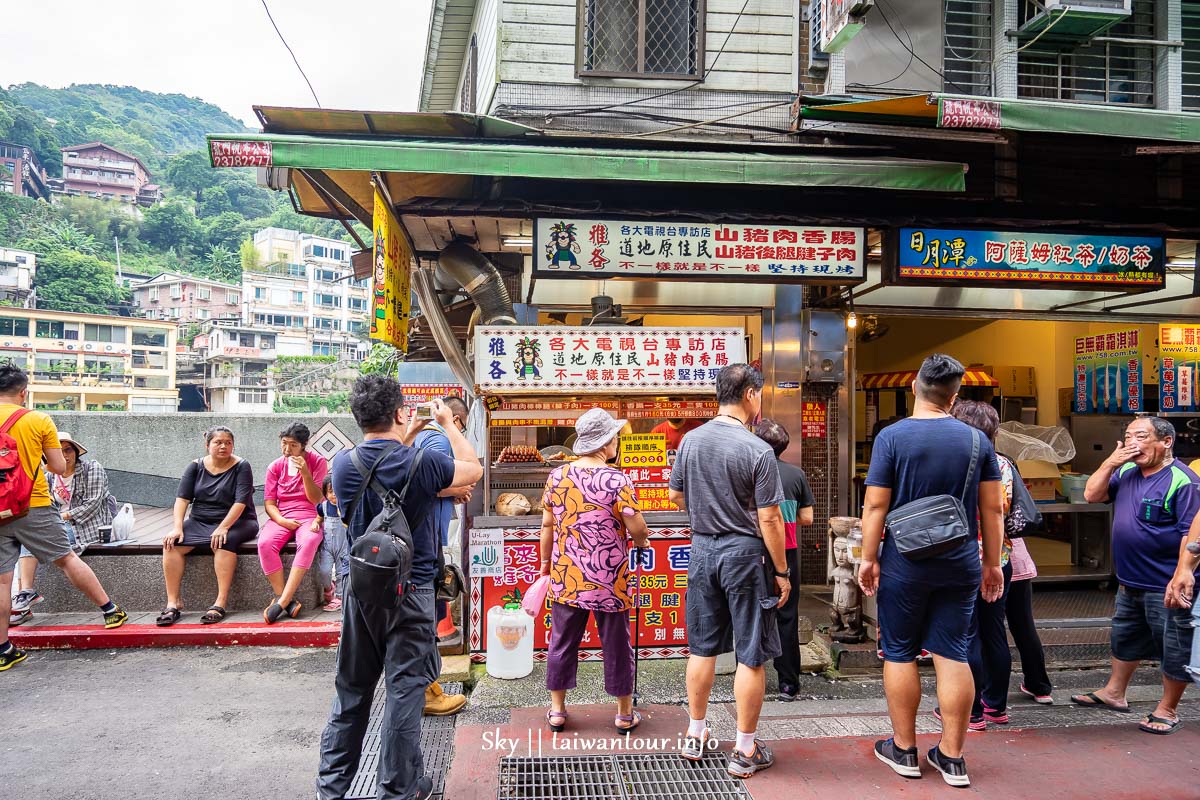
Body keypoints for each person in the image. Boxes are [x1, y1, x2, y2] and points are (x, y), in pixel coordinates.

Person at [317, 376, 482, 800]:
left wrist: (405, 433)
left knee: (351, 690)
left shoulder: (343, 464)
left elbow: (387, 470)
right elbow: (474, 467)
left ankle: (331, 789)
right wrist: (449, 424)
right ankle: (399, 789)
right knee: (405, 691)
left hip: (360, 588)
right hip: (411, 591)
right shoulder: (421, 462)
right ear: (398, 412)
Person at [860, 354, 1003, 788]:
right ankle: (953, 757)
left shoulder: (892, 436)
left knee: (900, 650)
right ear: (955, 396)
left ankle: (904, 750)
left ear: (914, 389)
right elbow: (993, 507)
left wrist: (868, 558)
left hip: (905, 560)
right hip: (959, 559)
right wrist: (992, 563)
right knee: (953, 652)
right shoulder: (978, 441)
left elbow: (876, 505)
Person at [668, 363, 789, 779]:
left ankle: (695, 733)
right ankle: (743, 749)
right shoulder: (757, 450)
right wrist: (783, 571)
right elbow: (770, 519)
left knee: (701, 648)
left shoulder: (689, 441)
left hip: (702, 551)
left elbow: (676, 495)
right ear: (751, 395)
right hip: (744, 555)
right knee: (750, 655)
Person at [1072, 417, 1198, 735]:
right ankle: (1114, 693)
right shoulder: (1127, 471)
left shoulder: (1184, 480)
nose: (1132, 443)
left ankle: (1168, 708)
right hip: (1130, 580)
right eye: (1128, 436)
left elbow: (1190, 534)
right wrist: (1110, 462)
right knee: (1124, 638)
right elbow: (1091, 495)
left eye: (1141, 436)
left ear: (1166, 442)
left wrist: (1182, 573)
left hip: (1166, 583)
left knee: (1175, 646)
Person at [0, 364, 129, 670]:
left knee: (2, 581)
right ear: (23, 392)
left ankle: (4, 649)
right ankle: (110, 611)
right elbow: (58, 468)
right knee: (66, 558)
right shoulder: (37, 419)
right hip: (33, 506)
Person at [541, 407, 650, 734]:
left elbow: (547, 525)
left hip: (566, 576)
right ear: (605, 443)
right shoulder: (617, 479)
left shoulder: (557, 477)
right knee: (616, 643)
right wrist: (642, 543)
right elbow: (636, 525)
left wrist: (546, 565)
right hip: (609, 579)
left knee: (561, 641)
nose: (617, 441)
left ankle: (558, 711)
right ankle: (624, 714)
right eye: (614, 436)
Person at [946, 400, 1015, 731]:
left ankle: (971, 711)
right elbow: (1001, 510)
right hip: (998, 559)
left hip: (962, 559)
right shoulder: (1003, 463)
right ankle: (996, 706)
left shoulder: (954, 462)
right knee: (994, 631)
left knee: (966, 634)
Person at [10, 431, 114, 626]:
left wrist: (61, 517)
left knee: (35, 538)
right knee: (28, 537)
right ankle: (25, 595)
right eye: (59, 451)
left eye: (68, 450)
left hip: (87, 525)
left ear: (76, 451)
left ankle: (25, 595)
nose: (65, 455)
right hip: (57, 523)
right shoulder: (48, 475)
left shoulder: (92, 469)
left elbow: (92, 505)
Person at [159, 426, 259, 626]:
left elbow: (240, 502)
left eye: (228, 443)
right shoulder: (195, 467)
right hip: (200, 520)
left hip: (238, 520)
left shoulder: (242, 466)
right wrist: (177, 527)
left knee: (223, 541)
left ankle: (220, 602)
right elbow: (182, 499)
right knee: (172, 544)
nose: (223, 446)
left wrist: (224, 526)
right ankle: (173, 602)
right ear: (207, 445)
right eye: (218, 442)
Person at [413, 395, 474, 716]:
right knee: (427, 616)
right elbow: (424, 483)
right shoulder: (438, 438)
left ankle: (425, 687)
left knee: (424, 618)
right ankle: (425, 692)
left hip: (416, 541)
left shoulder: (418, 436)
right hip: (424, 544)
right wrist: (456, 489)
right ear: (458, 419)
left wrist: (452, 491)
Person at [752, 418, 815, 701]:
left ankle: (751, 676)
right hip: (787, 552)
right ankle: (788, 682)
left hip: (754, 550)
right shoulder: (796, 474)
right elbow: (808, 517)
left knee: (751, 614)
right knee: (786, 616)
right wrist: (785, 519)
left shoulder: (750, 471)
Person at [258, 422, 328, 623]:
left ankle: (281, 601)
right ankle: (285, 599)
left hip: (310, 514)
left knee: (309, 541)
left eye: (293, 445)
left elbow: (317, 500)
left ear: (304, 445)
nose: (287, 450)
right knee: (265, 543)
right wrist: (281, 520)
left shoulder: (317, 462)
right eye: (284, 443)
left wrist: (305, 472)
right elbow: (270, 502)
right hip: (281, 515)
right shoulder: (275, 466)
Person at [1008, 536, 1053, 704]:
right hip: (1019, 562)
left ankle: (992, 692)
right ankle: (1039, 686)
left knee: (991, 632)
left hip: (991, 563)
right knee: (1025, 628)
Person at [312, 476, 348, 613]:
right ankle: (328, 588)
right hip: (327, 546)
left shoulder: (345, 506)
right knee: (324, 571)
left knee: (341, 572)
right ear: (325, 494)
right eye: (331, 492)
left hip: (343, 547)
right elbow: (319, 518)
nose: (334, 495)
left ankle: (339, 597)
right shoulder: (324, 507)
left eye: (337, 491)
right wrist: (315, 523)